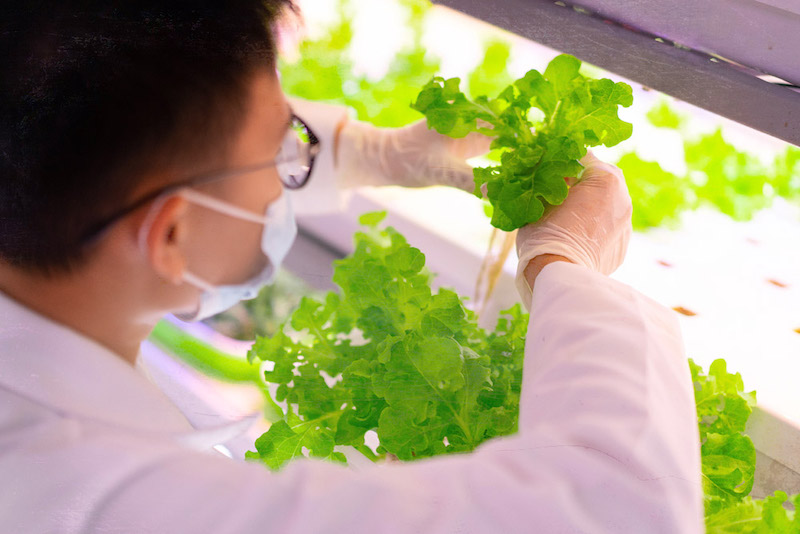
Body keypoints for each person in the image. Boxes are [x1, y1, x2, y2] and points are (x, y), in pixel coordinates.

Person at [0, 1, 703, 532]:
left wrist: (371, 152)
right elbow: (617, 506)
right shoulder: (100, 499)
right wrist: (567, 264)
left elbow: (122, 120)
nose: (291, 172)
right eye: (284, 150)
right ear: (170, 234)